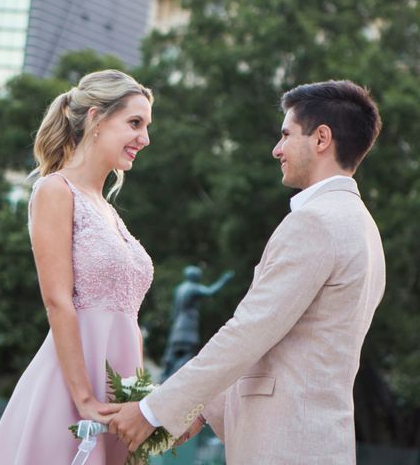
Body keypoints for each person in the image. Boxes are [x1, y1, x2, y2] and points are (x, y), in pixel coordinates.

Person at [105, 80, 385, 465]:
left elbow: (249, 332)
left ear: (322, 138)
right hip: (314, 442)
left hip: (287, 446)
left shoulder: (316, 223)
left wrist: (154, 410)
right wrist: (200, 411)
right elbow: (283, 347)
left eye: (286, 134)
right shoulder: (362, 226)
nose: (277, 149)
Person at [0, 69, 154, 465]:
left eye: (146, 126)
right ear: (96, 118)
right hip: (72, 389)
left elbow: (128, 314)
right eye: (134, 123)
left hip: (118, 390)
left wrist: (137, 397)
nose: (144, 139)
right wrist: (84, 399)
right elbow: (58, 301)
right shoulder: (55, 191)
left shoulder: (109, 211)